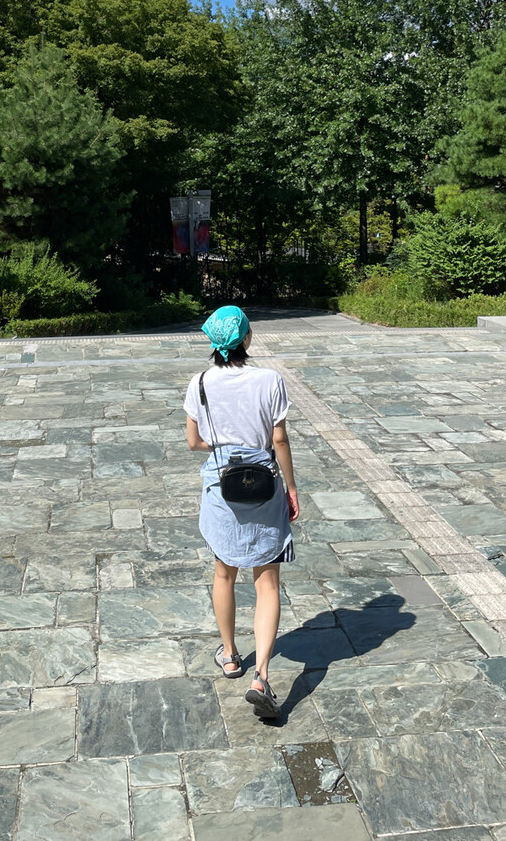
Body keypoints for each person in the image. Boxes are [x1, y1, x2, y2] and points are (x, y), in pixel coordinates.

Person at [184, 305, 300, 719]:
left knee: (224, 572)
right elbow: (279, 439)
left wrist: (225, 444)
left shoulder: (200, 382)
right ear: (247, 337)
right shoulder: (270, 380)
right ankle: (262, 676)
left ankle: (231, 656)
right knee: (267, 582)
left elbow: (194, 442)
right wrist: (291, 487)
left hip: (222, 484)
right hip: (264, 481)